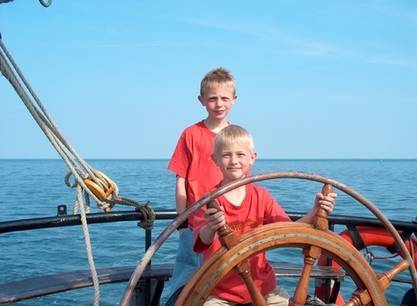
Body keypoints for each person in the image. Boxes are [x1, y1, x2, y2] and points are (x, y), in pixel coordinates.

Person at [194, 125, 337, 306]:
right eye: (226, 155)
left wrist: (315, 210)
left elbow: (289, 231)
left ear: (253, 157)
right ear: (215, 159)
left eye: (240, 154)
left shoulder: (261, 197)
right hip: (220, 293)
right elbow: (203, 240)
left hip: (265, 290)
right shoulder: (208, 201)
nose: (233, 160)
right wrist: (210, 226)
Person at [166, 67, 238, 304]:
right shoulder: (190, 134)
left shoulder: (237, 137)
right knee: (185, 281)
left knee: (226, 284)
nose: (219, 104)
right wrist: (181, 223)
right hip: (195, 223)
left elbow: (243, 183)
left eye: (225, 98)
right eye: (213, 98)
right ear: (202, 100)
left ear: (234, 100)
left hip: (230, 223)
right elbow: (181, 181)